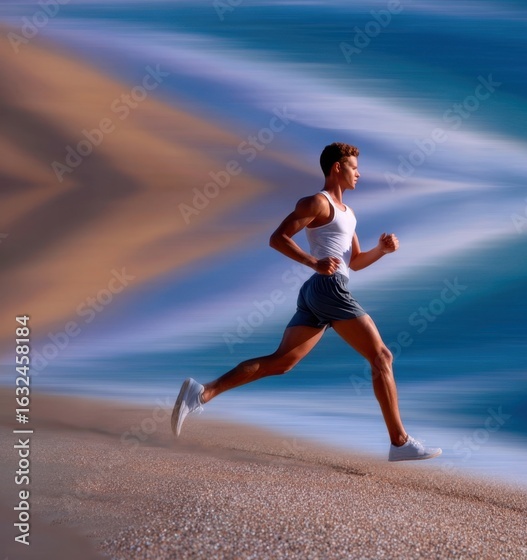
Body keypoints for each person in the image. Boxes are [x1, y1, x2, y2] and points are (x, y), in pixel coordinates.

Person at [171, 142, 441, 462]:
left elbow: (353, 261)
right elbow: (278, 238)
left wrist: (381, 250)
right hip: (328, 288)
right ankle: (399, 442)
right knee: (382, 356)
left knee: (281, 363)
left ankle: (201, 393)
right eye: (354, 167)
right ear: (337, 168)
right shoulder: (317, 202)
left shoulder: (348, 214)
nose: (359, 173)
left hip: (320, 291)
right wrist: (313, 262)